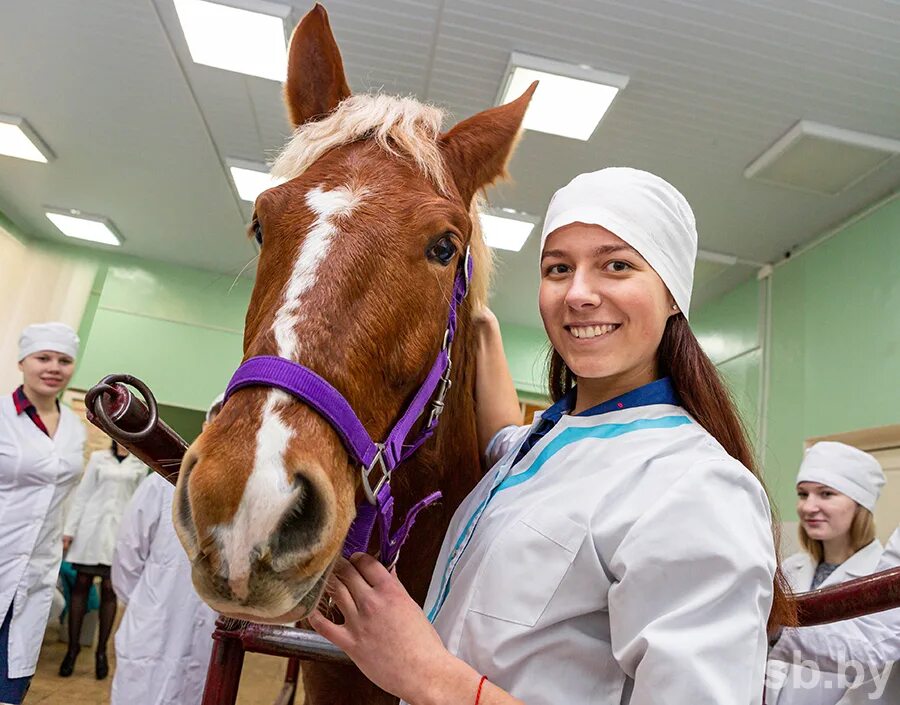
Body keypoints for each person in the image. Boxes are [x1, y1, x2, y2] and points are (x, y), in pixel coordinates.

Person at [308, 167, 793, 705]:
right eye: (558, 268)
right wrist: (480, 327)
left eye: (617, 266)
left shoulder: (695, 488)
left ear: (673, 295)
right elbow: (502, 438)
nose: (579, 294)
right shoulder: (546, 445)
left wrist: (427, 674)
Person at [109, 394, 222, 705]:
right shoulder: (161, 485)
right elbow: (127, 557)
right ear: (205, 426)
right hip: (151, 627)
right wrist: (148, 605)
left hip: (204, 638)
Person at [767, 443, 895, 704]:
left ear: (860, 505)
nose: (808, 507)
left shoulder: (884, 581)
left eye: (826, 494)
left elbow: (871, 652)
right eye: (803, 494)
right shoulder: (790, 569)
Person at [0, 323, 85, 705]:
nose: (54, 367)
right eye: (43, 358)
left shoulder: (73, 427)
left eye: (64, 360)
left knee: (10, 679)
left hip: (35, 569)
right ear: (22, 362)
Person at [59, 440, 147, 678]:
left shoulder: (140, 463)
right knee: (81, 586)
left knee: (110, 590)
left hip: (119, 535)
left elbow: (140, 504)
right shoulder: (99, 458)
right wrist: (69, 531)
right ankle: (73, 649)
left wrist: (138, 542)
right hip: (91, 532)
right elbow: (83, 495)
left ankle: (100, 652)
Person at [769, 526, 899, 672]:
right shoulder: (791, 565)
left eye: (827, 500)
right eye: (804, 500)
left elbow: (878, 643)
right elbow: (879, 635)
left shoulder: (874, 567)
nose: (808, 507)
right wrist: (775, 629)